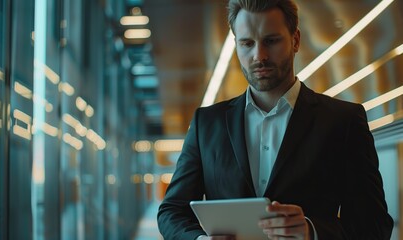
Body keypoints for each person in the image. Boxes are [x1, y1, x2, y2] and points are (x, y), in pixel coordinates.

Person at [157, 0, 394, 239]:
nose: (259, 55)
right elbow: (172, 211)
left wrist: (311, 232)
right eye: (247, 43)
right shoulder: (206, 124)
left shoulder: (343, 121)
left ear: (296, 40)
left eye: (271, 41)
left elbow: (374, 224)